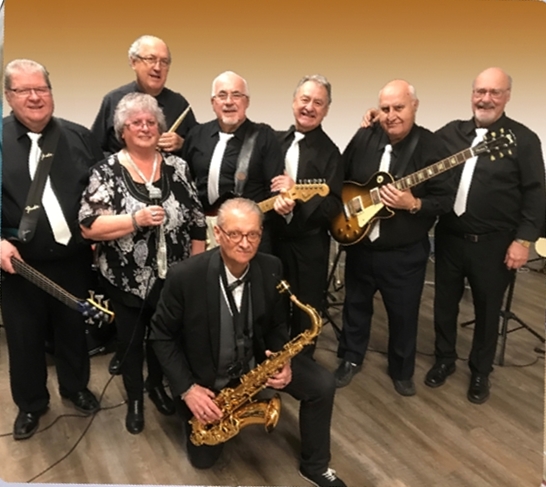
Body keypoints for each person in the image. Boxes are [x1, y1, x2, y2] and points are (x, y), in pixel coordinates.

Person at [149, 198, 346, 487]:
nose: (245, 243)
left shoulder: (271, 266)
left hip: (255, 364)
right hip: (207, 378)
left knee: (322, 385)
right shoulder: (185, 276)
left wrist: (283, 360)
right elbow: (161, 335)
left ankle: (316, 465)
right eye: (235, 234)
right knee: (203, 460)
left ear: (261, 234)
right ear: (218, 233)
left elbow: (277, 323)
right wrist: (188, 389)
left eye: (253, 234)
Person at [79, 92, 206, 433]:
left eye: (151, 122)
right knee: (132, 344)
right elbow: (88, 226)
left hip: (175, 279)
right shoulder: (106, 171)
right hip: (125, 281)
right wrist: (135, 220)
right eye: (136, 122)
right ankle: (135, 399)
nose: (145, 127)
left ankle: (156, 386)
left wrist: (194, 269)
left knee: (164, 339)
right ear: (123, 131)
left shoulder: (178, 167)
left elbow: (197, 220)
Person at [425, 67, 545, 403]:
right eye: (480, 91)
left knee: (488, 311)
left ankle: (480, 371)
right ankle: (444, 359)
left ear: (507, 96)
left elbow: (536, 194)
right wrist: (378, 119)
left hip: (495, 244)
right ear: (472, 95)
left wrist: (523, 241)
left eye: (495, 92)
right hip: (449, 238)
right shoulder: (450, 133)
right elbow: (417, 146)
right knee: (444, 305)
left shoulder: (524, 139)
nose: (486, 99)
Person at [1, 59, 101, 440]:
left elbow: (100, 190)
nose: (34, 97)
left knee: (73, 329)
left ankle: (75, 387)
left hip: (74, 259)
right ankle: (31, 403)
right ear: (8, 96)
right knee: (24, 338)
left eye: (41, 88)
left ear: (51, 92)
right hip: (19, 264)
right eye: (24, 90)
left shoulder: (79, 137)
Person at [334, 80, 454, 396]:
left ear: (415, 106)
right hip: (361, 244)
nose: (391, 115)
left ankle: (401, 371)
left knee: (403, 315)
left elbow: (445, 200)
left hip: (404, 253)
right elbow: (342, 175)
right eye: (385, 108)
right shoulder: (365, 135)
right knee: (355, 307)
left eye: (398, 107)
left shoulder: (432, 147)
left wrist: (413, 203)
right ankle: (350, 358)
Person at [271, 74, 343, 347]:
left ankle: (301, 364)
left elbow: (333, 205)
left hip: (309, 246)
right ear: (293, 102)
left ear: (326, 110)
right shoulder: (274, 142)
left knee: (306, 313)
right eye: (305, 99)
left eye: (318, 103)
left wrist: (298, 195)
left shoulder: (331, 153)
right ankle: (272, 361)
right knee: (271, 308)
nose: (309, 107)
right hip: (272, 241)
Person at [181, 70, 286, 251]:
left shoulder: (264, 136)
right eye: (222, 95)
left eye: (236, 95)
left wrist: (282, 201)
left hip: (248, 238)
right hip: (202, 235)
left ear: (247, 101)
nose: (229, 101)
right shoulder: (196, 135)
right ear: (213, 103)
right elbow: (183, 183)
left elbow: (275, 189)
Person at [91, 35, 197, 157]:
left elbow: (200, 149)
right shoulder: (113, 100)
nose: (157, 67)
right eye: (151, 59)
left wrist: (183, 144)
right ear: (133, 62)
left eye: (164, 62)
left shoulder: (179, 104)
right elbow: (93, 149)